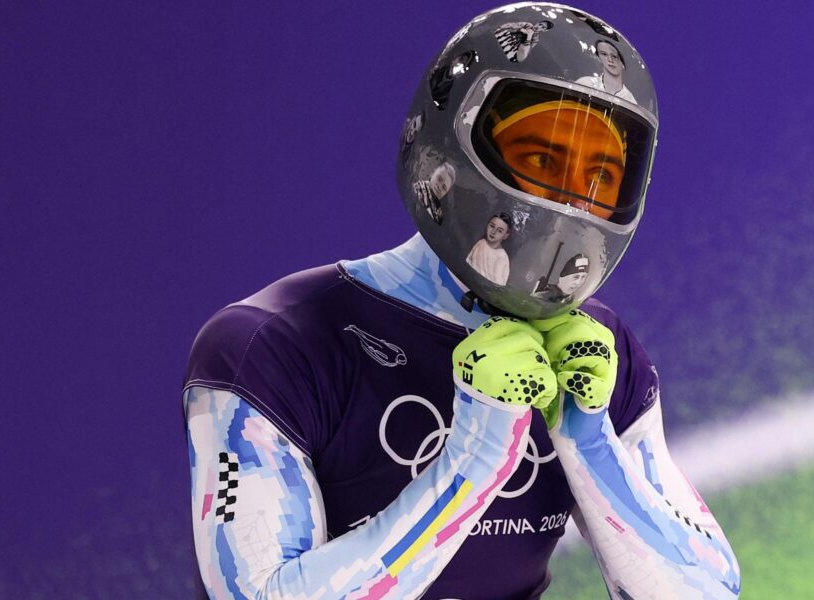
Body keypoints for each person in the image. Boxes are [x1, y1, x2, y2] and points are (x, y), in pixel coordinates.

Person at [184, 4, 740, 599]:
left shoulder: (596, 356)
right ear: (449, 140)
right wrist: (473, 460)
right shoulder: (271, 346)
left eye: (601, 176)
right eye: (541, 160)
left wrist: (589, 441)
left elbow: (708, 592)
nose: (574, 203)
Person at [575, 39, 638, 104]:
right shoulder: (584, 84)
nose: (610, 59)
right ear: (599, 58)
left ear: (623, 63)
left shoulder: (630, 101)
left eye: (614, 56)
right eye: (604, 54)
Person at [466, 213, 512, 285]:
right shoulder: (481, 243)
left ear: (505, 236)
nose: (493, 232)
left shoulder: (502, 258)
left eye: (499, 231)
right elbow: (468, 261)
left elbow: (497, 284)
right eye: (492, 226)